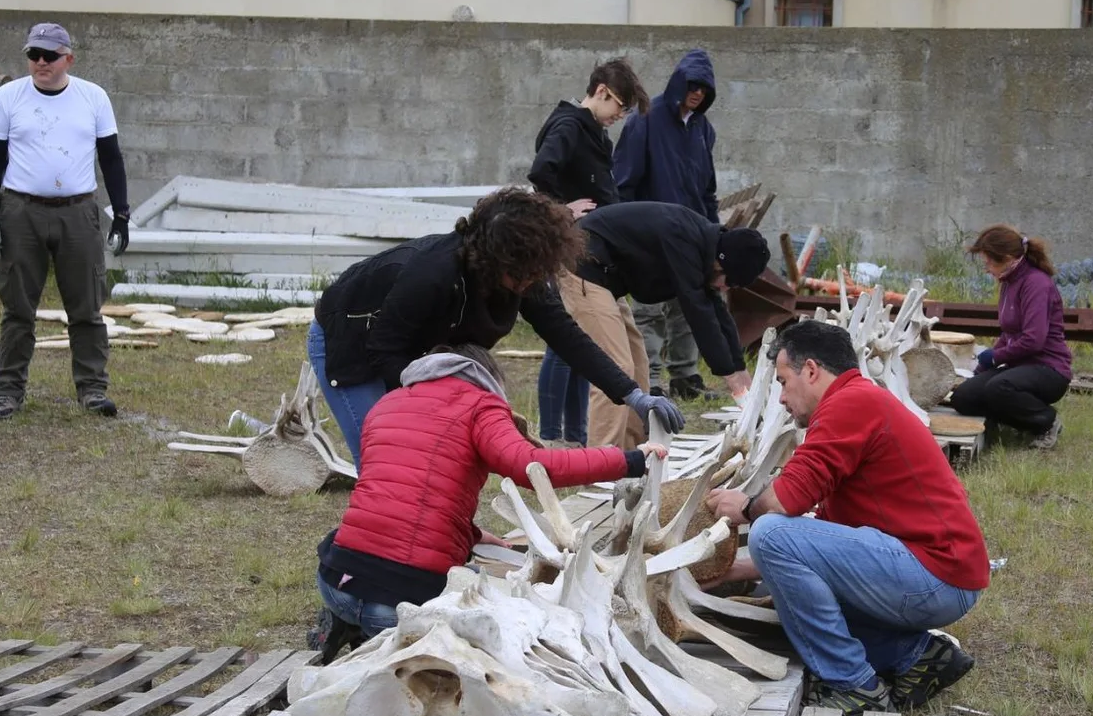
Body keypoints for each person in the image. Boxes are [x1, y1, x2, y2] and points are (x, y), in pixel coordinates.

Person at [309, 343, 668, 661]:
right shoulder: (480, 404)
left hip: (337, 579)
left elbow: (403, 493)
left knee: (354, 535)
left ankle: (346, 621)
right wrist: (629, 460)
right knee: (493, 599)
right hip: (403, 602)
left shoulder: (386, 404)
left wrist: (472, 535)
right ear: (484, 375)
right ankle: (388, 638)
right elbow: (533, 469)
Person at [705, 321, 989, 716]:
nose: (782, 398)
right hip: (940, 573)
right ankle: (916, 657)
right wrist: (727, 570)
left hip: (934, 575)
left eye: (784, 382)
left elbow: (785, 502)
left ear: (811, 370)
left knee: (768, 533)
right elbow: (819, 542)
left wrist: (746, 506)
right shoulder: (859, 401)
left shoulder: (850, 404)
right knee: (789, 596)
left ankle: (853, 685)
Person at [308, 187, 682, 467]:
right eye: (520, 275)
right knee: (387, 462)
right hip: (352, 342)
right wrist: (419, 406)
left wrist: (632, 395)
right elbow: (386, 350)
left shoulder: (525, 270)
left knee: (438, 460)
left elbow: (566, 336)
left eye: (536, 273)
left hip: (412, 350)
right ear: (490, 258)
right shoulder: (432, 275)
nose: (528, 283)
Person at [0, 23, 131, 421]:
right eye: (33, 55)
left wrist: (123, 213)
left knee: (86, 307)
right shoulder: (9, 98)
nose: (40, 63)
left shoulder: (92, 98)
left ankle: (93, 389)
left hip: (77, 211)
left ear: (69, 58)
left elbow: (111, 159)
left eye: (49, 55)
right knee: (17, 309)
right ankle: (8, 391)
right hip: (21, 211)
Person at [562, 201, 767, 448]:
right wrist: (729, 376)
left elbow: (717, 310)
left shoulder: (705, 246)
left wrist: (738, 365)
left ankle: (634, 452)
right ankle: (601, 463)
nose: (725, 288)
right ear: (722, 264)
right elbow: (698, 311)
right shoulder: (683, 238)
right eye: (729, 282)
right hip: (584, 266)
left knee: (638, 365)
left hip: (606, 279)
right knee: (616, 368)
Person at [528, 58, 649, 448]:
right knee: (606, 362)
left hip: (604, 264)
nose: (620, 116)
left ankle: (632, 450)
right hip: (578, 260)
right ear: (601, 92)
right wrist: (564, 211)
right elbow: (540, 174)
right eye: (620, 107)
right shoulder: (568, 126)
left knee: (634, 359)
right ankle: (601, 460)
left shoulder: (596, 134)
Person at [613, 50, 721, 401]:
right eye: (692, 86)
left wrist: (713, 233)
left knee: (688, 306)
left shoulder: (703, 129)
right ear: (679, 82)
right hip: (649, 234)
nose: (698, 94)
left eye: (705, 90)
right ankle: (650, 379)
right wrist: (628, 233)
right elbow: (624, 180)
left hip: (691, 235)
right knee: (649, 310)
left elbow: (707, 189)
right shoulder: (646, 119)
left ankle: (685, 376)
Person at [948, 224, 1072, 450]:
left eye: (988, 263)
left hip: (1048, 369)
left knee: (998, 388)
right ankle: (1012, 420)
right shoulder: (1008, 282)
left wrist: (994, 357)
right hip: (1018, 368)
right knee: (963, 398)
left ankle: (1046, 421)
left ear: (1005, 258)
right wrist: (981, 370)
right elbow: (1009, 333)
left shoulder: (1036, 283)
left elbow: (1034, 339)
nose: (987, 269)